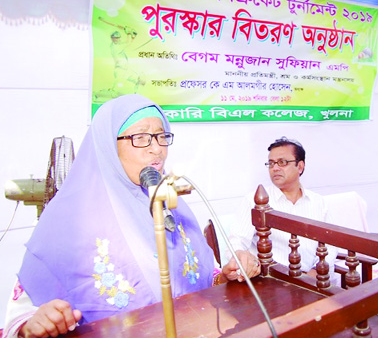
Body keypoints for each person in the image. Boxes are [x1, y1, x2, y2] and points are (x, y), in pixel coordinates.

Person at [3, 95, 260, 338]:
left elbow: (205, 276)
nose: (157, 149)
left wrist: (228, 274)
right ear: (108, 146)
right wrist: (33, 323)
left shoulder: (170, 202)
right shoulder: (68, 219)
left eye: (161, 136)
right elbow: (21, 314)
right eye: (140, 137)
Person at [228, 137, 337, 280]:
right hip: (272, 280)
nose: (275, 168)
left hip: (314, 279)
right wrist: (241, 257)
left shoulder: (318, 202)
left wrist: (315, 273)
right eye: (271, 163)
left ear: (300, 166)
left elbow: (330, 246)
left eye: (282, 162)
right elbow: (237, 241)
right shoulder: (254, 201)